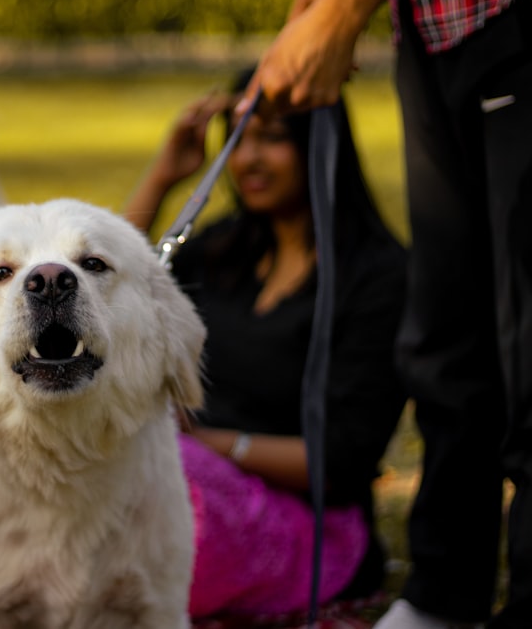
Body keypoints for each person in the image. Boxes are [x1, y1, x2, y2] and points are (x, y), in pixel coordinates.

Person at [242, 0, 531, 627]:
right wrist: (312, 4)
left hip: (512, 1)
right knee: (447, 340)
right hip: (429, 28)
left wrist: (343, 8)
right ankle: (442, 595)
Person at [125, 67, 408, 618]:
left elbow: (342, 461)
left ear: (318, 143)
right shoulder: (223, 251)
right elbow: (109, 296)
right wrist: (164, 178)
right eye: (238, 138)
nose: (249, 158)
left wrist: (210, 445)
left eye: (271, 138)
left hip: (309, 524)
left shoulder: (378, 279)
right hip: (188, 479)